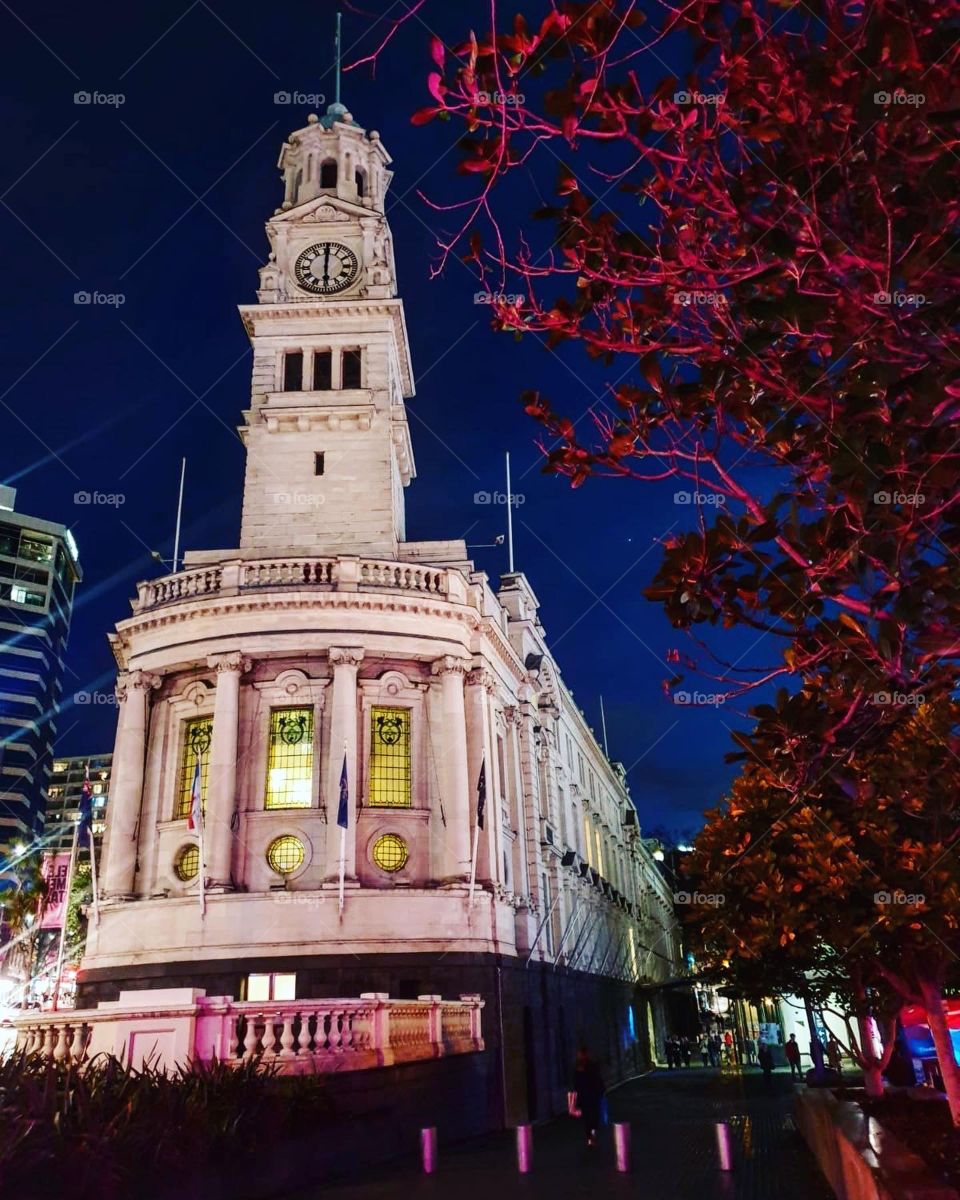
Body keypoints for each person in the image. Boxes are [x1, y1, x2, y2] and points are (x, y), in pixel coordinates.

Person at [574, 1049, 606, 1148]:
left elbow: (576, 1085)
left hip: (585, 1097)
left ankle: (590, 1138)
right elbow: (598, 1079)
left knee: (588, 1118)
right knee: (593, 1117)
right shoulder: (591, 1066)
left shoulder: (579, 1068)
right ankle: (592, 1135)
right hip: (592, 1096)